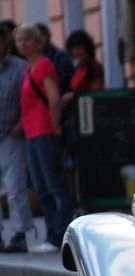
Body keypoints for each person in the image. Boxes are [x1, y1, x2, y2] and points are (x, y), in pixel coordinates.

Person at [14, 23, 74, 253]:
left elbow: (54, 98)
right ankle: (52, 235)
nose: (23, 44)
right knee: (42, 188)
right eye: (19, 40)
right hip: (32, 133)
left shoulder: (43, 65)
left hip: (45, 132)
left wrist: (54, 125)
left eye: (27, 39)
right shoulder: (29, 67)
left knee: (56, 187)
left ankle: (60, 236)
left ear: (37, 41)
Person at [0, 23, 34, 253]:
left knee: (15, 188)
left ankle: (20, 234)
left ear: (6, 43)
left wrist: (21, 125)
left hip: (11, 134)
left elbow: (30, 99)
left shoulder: (21, 68)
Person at [36, 23, 74, 97]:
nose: (39, 41)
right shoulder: (34, 58)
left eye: (41, 36)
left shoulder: (60, 57)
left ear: (48, 36)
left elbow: (65, 82)